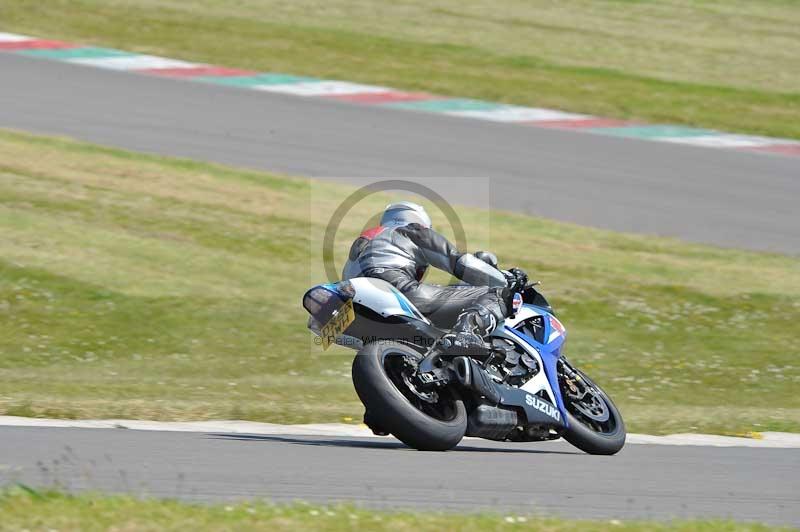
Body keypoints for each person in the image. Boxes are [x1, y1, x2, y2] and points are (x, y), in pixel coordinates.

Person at [341, 201, 528, 352]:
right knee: (500, 295)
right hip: (397, 290)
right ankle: (467, 333)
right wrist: (504, 280)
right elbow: (460, 263)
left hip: (359, 309)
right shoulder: (412, 231)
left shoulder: (362, 244)